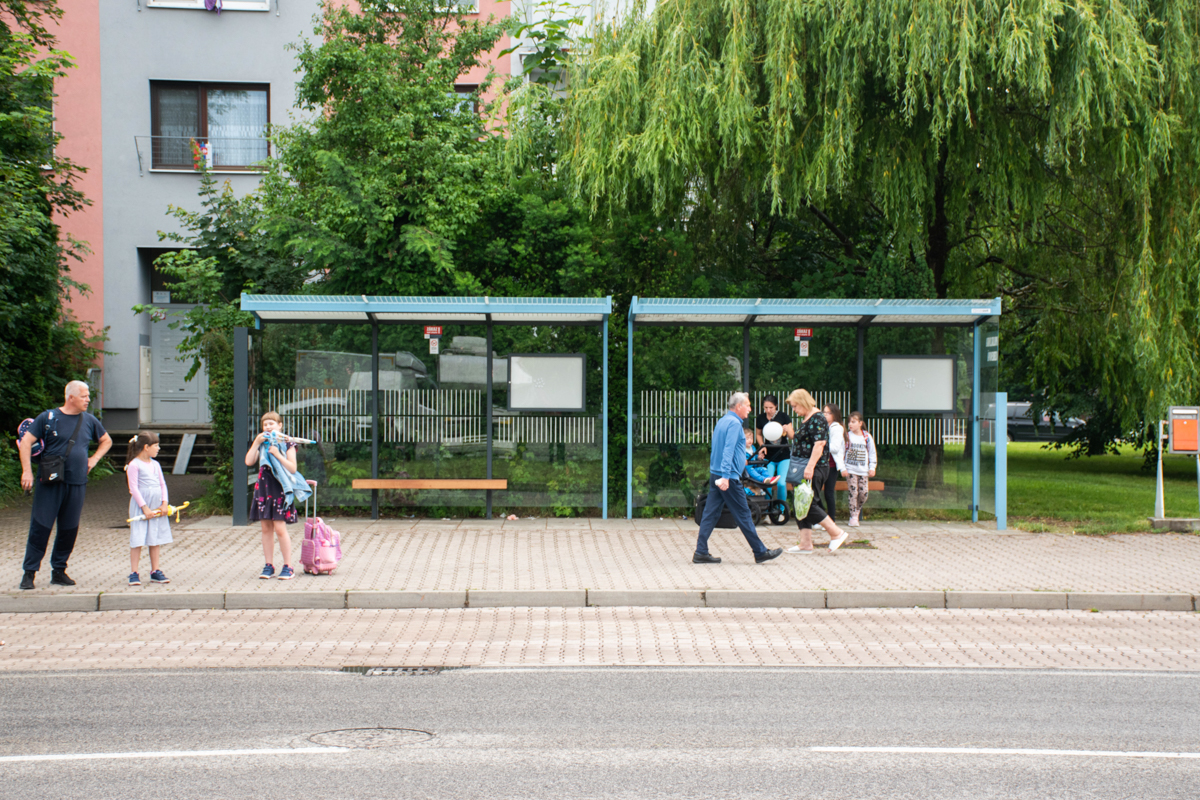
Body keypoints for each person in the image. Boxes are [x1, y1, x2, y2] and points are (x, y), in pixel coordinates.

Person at [17, 380, 112, 590]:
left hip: (77, 482)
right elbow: (25, 442)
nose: (88, 399)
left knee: (69, 528)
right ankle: (29, 573)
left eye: (88, 396)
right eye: (84, 396)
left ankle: (59, 571)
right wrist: (27, 471)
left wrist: (94, 459)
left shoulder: (89, 420)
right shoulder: (48, 417)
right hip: (50, 482)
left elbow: (106, 440)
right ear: (71, 397)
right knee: (41, 527)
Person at [692, 393, 782, 565]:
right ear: (739, 406)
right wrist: (726, 476)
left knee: (710, 513)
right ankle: (760, 552)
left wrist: (737, 462)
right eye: (747, 405)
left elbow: (719, 449)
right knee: (744, 514)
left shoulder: (723, 421)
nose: (750, 409)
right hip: (728, 478)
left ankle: (701, 552)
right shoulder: (734, 424)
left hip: (716, 474)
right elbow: (727, 450)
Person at [781, 389, 849, 554]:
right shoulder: (807, 418)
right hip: (804, 467)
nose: (794, 410)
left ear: (804, 402)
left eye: (795, 406)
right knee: (800, 503)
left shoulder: (817, 418)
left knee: (808, 504)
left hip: (813, 468)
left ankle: (836, 533)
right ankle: (805, 543)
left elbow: (819, 444)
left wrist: (810, 467)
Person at [245, 411, 302, 580]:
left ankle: (288, 566)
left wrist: (277, 454)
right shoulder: (261, 443)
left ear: (280, 425)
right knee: (265, 528)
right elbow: (249, 461)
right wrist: (256, 442)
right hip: (263, 489)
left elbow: (292, 468)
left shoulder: (288, 443)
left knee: (279, 528)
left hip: (280, 489)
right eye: (265, 424)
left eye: (271, 423)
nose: (268, 427)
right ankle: (268, 565)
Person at [125, 431, 172, 586]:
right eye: (156, 446)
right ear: (146, 447)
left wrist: (164, 503)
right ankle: (134, 572)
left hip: (156, 505)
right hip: (141, 507)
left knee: (155, 537)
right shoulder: (134, 465)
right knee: (138, 538)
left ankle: (155, 571)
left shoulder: (155, 464)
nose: (158, 448)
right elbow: (133, 489)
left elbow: (162, 484)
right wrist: (144, 507)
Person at [842, 412, 878, 527]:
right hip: (851, 469)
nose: (850, 424)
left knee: (864, 493)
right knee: (854, 492)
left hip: (863, 470)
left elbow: (872, 453)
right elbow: (842, 452)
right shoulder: (847, 436)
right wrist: (843, 467)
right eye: (849, 422)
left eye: (853, 422)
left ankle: (857, 511)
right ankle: (853, 516)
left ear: (860, 423)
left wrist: (872, 467)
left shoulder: (867, 437)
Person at [754, 395, 790, 504]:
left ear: (776, 406)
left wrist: (787, 430)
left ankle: (781, 511)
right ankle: (767, 511)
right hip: (768, 456)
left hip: (784, 455)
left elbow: (792, 435)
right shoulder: (760, 418)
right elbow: (758, 435)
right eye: (766, 408)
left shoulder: (784, 417)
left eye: (771, 408)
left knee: (781, 483)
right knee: (767, 482)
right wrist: (762, 445)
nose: (768, 410)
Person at [818, 403, 847, 525]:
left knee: (828, 493)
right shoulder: (822, 426)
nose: (825, 415)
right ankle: (822, 519)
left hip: (831, 465)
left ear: (835, 415)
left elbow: (835, 448)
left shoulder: (837, 428)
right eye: (824, 412)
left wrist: (821, 445)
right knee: (815, 492)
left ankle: (831, 520)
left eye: (828, 413)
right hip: (820, 464)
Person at [742, 428, 780, 495]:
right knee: (752, 471)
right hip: (747, 469)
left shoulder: (753, 448)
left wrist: (759, 457)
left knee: (763, 469)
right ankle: (763, 479)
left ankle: (770, 479)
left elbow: (755, 456)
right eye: (747, 439)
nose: (750, 440)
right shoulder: (741, 449)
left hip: (755, 467)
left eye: (751, 438)